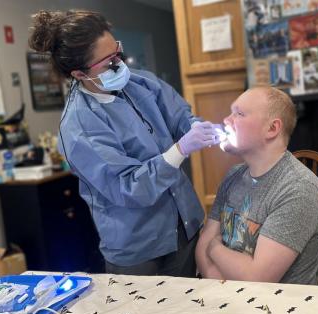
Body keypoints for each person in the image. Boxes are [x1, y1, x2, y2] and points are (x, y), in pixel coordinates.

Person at [28, 10, 221, 277]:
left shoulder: (140, 82)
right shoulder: (80, 127)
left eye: (117, 51)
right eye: (108, 62)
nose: (119, 64)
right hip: (139, 248)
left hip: (184, 224)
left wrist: (195, 126)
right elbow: (129, 187)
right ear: (80, 74)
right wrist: (181, 149)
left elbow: (179, 115)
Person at [195, 87, 318, 284]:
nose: (226, 120)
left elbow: (256, 278)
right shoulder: (233, 176)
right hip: (228, 301)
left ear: (272, 129)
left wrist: (215, 248)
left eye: (239, 114)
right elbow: (202, 247)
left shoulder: (298, 189)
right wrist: (221, 285)